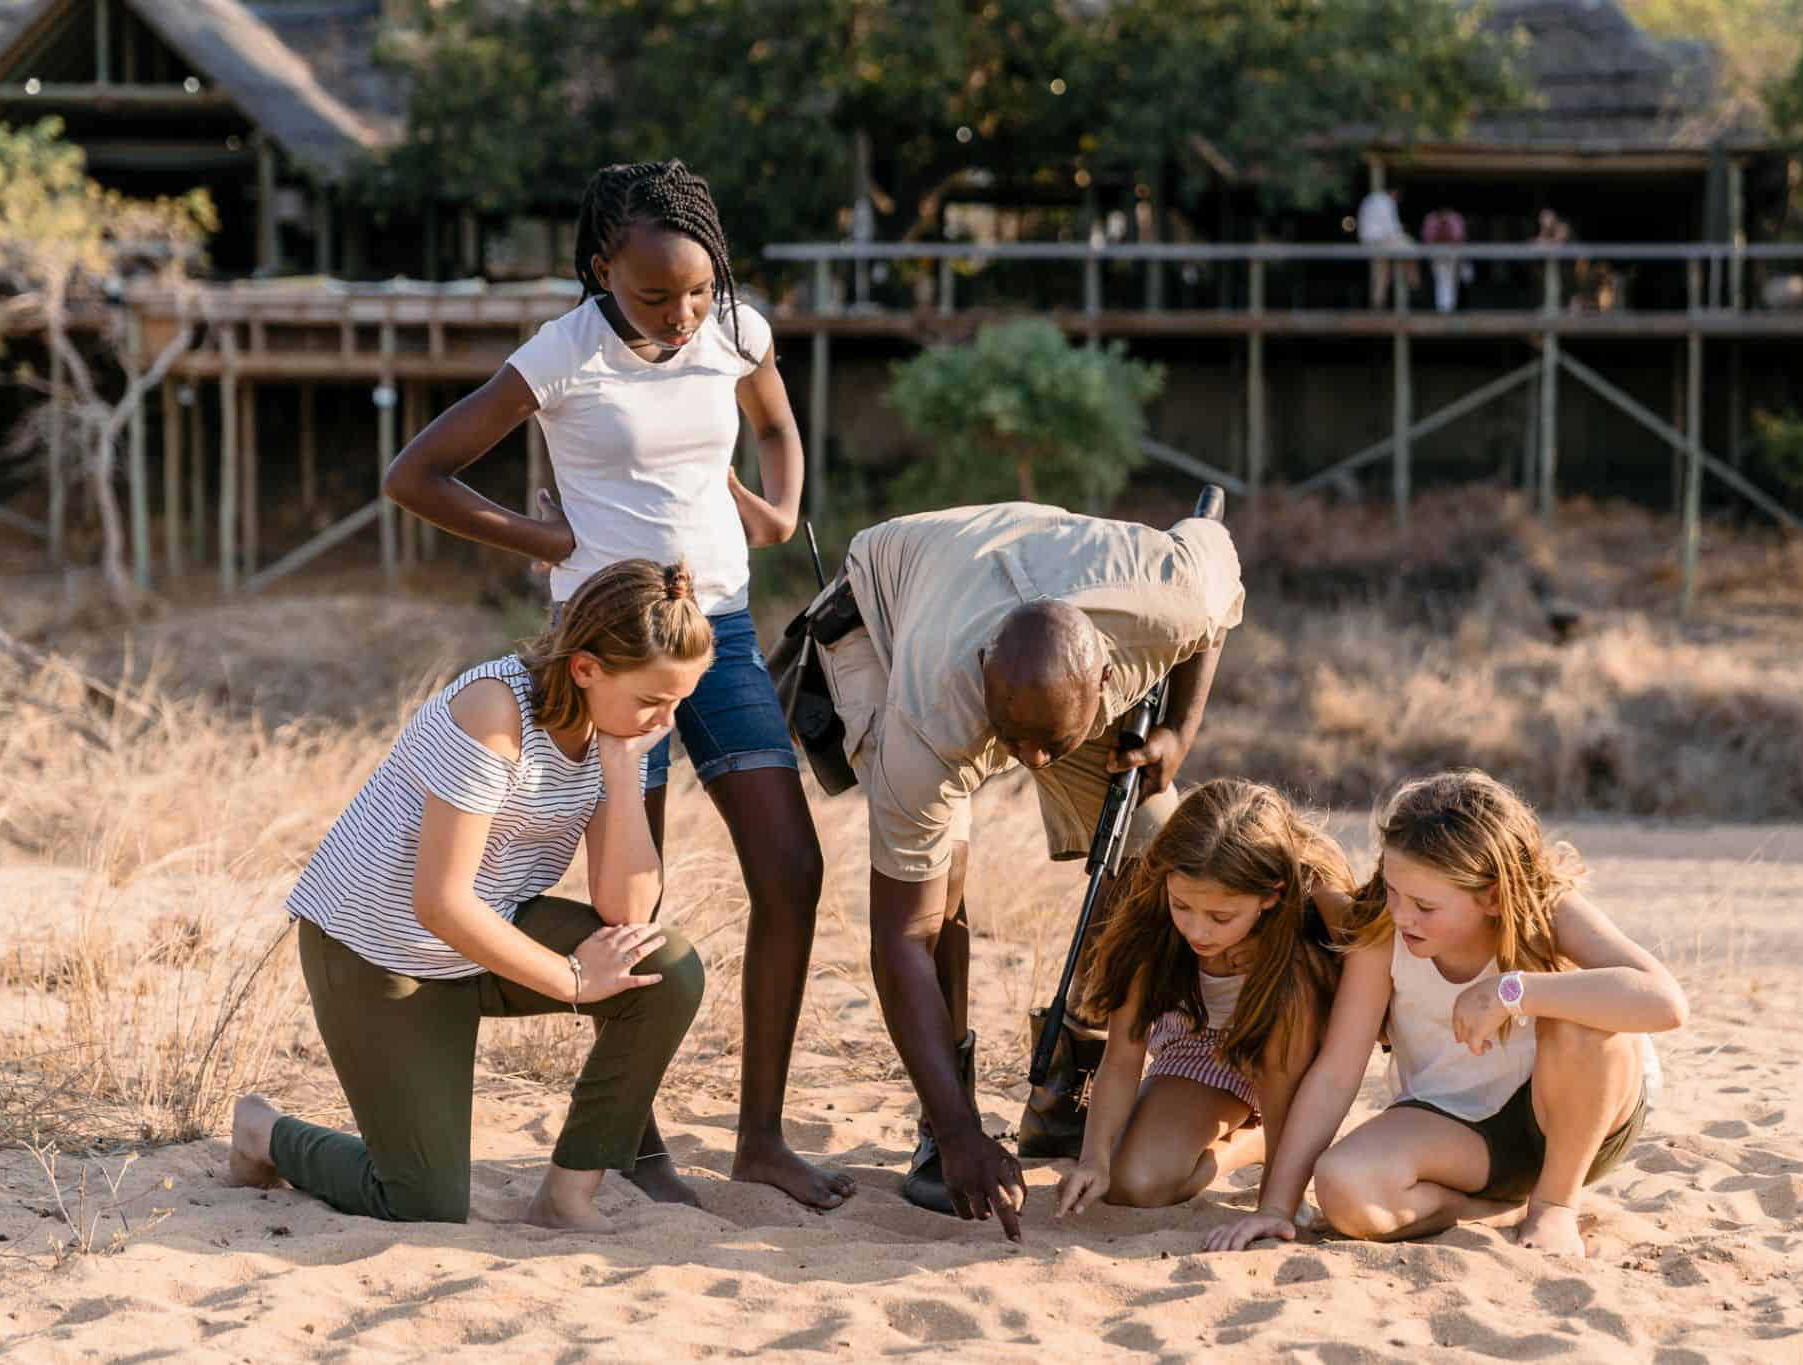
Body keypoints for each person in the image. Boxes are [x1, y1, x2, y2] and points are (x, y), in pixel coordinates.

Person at [382, 160, 851, 1210]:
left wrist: (776, 509)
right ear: (601, 271)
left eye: (699, 290)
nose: (683, 315)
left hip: (720, 633)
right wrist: (549, 540)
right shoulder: (561, 353)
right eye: (654, 295)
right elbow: (415, 474)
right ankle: (632, 1147)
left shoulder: (734, 329)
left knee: (790, 868)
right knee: (626, 899)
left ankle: (762, 1140)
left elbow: (775, 425)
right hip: (606, 651)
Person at [228, 560, 711, 1228]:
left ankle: (566, 1196)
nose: (666, 720)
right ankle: (263, 1133)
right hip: (379, 950)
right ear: (586, 669)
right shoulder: (494, 712)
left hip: (484, 935)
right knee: (422, 1203)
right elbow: (440, 902)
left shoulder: (620, 730)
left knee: (664, 967)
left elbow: (627, 912)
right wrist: (572, 979)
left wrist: (625, 770)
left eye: (679, 701)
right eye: (653, 700)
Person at [811, 501, 1245, 1239]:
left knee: (1155, 853)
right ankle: (942, 1121)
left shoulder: (1170, 594)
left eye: (1051, 743)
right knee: (940, 882)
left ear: (1107, 674)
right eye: (1015, 742)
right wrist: (961, 1134)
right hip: (888, 616)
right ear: (987, 674)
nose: (1032, 763)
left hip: (1043, 616)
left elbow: (1219, 586)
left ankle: (1067, 1080)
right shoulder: (930, 712)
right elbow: (901, 939)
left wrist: (1178, 728)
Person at [1205, 769, 1684, 1258]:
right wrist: (1275, 1208)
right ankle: (1496, 1211)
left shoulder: (1547, 911)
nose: (1401, 914)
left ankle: (1554, 1206)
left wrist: (1514, 990)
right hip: (1458, 1132)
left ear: (1492, 897)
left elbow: (1666, 1001)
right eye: (1393, 890)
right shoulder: (1384, 931)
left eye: (1424, 905)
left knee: (1583, 1017)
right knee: (1343, 1187)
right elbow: (1335, 1075)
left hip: (1577, 1121)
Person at [1053, 780, 1354, 1218]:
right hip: (1201, 1051)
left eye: (1220, 917)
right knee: (1134, 1184)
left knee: (1289, 991)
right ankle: (1254, 1142)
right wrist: (1093, 1161)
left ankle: (1283, 1158)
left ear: (1270, 896)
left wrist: (1276, 1205)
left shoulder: (1316, 906)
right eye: (1182, 906)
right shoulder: (1151, 928)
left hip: (1294, 1063)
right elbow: (1120, 1060)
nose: (1197, 931)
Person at [1356, 186, 1419, 307]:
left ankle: (1378, 303)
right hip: (1382, 240)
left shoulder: (1369, 199)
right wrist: (1402, 233)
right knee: (1412, 247)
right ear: (1394, 193)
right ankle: (1414, 283)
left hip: (1367, 241)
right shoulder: (1386, 201)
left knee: (1382, 273)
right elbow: (1390, 228)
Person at [1419, 207, 1468, 314]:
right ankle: (1443, 308)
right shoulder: (1431, 218)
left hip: (1452, 252)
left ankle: (1449, 308)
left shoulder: (1455, 217)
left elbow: (1459, 238)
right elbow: (1427, 238)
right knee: (1440, 279)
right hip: (1436, 252)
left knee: (1450, 279)